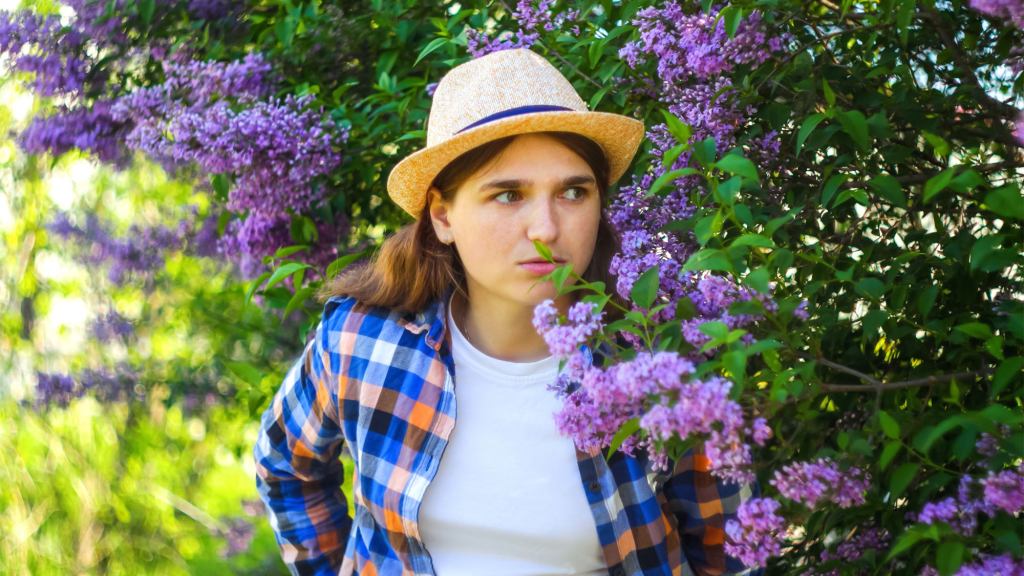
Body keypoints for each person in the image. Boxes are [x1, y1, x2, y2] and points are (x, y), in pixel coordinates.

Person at [253, 48, 757, 576]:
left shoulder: (656, 364)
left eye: (573, 192)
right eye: (508, 194)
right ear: (443, 215)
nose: (545, 228)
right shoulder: (363, 342)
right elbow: (285, 465)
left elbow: (731, 550)